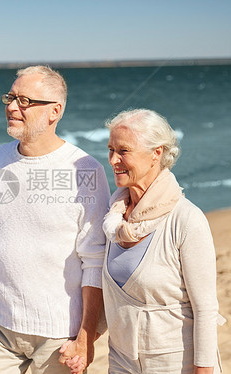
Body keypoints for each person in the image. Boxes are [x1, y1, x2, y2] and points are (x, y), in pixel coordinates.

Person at [0, 65, 110, 374]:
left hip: (59, 334)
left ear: (55, 111)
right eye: (10, 97)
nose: (12, 107)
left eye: (25, 100)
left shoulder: (84, 170)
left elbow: (95, 261)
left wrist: (85, 337)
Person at [68, 109, 223, 373]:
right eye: (110, 150)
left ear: (156, 153)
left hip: (174, 362)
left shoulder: (186, 220)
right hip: (121, 360)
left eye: (124, 151)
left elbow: (206, 308)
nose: (113, 160)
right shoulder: (114, 217)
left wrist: (204, 368)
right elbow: (116, 297)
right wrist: (84, 340)